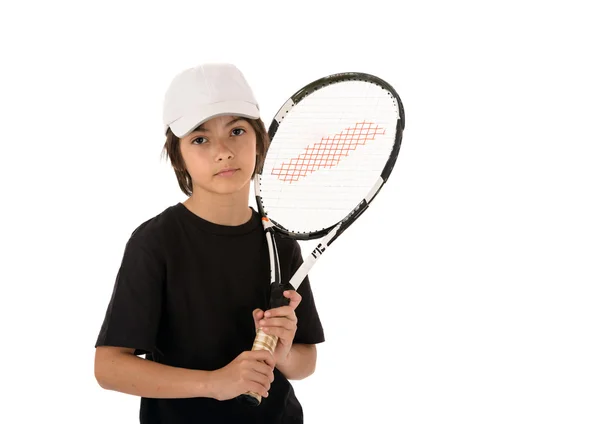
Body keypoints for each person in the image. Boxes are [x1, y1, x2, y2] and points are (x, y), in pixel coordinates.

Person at [94, 63, 325, 424]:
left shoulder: (280, 244)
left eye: (236, 130)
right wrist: (214, 383)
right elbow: (109, 368)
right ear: (178, 156)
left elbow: (304, 361)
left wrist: (281, 353)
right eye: (200, 139)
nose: (223, 151)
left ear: (260, 140)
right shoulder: (155, 243)